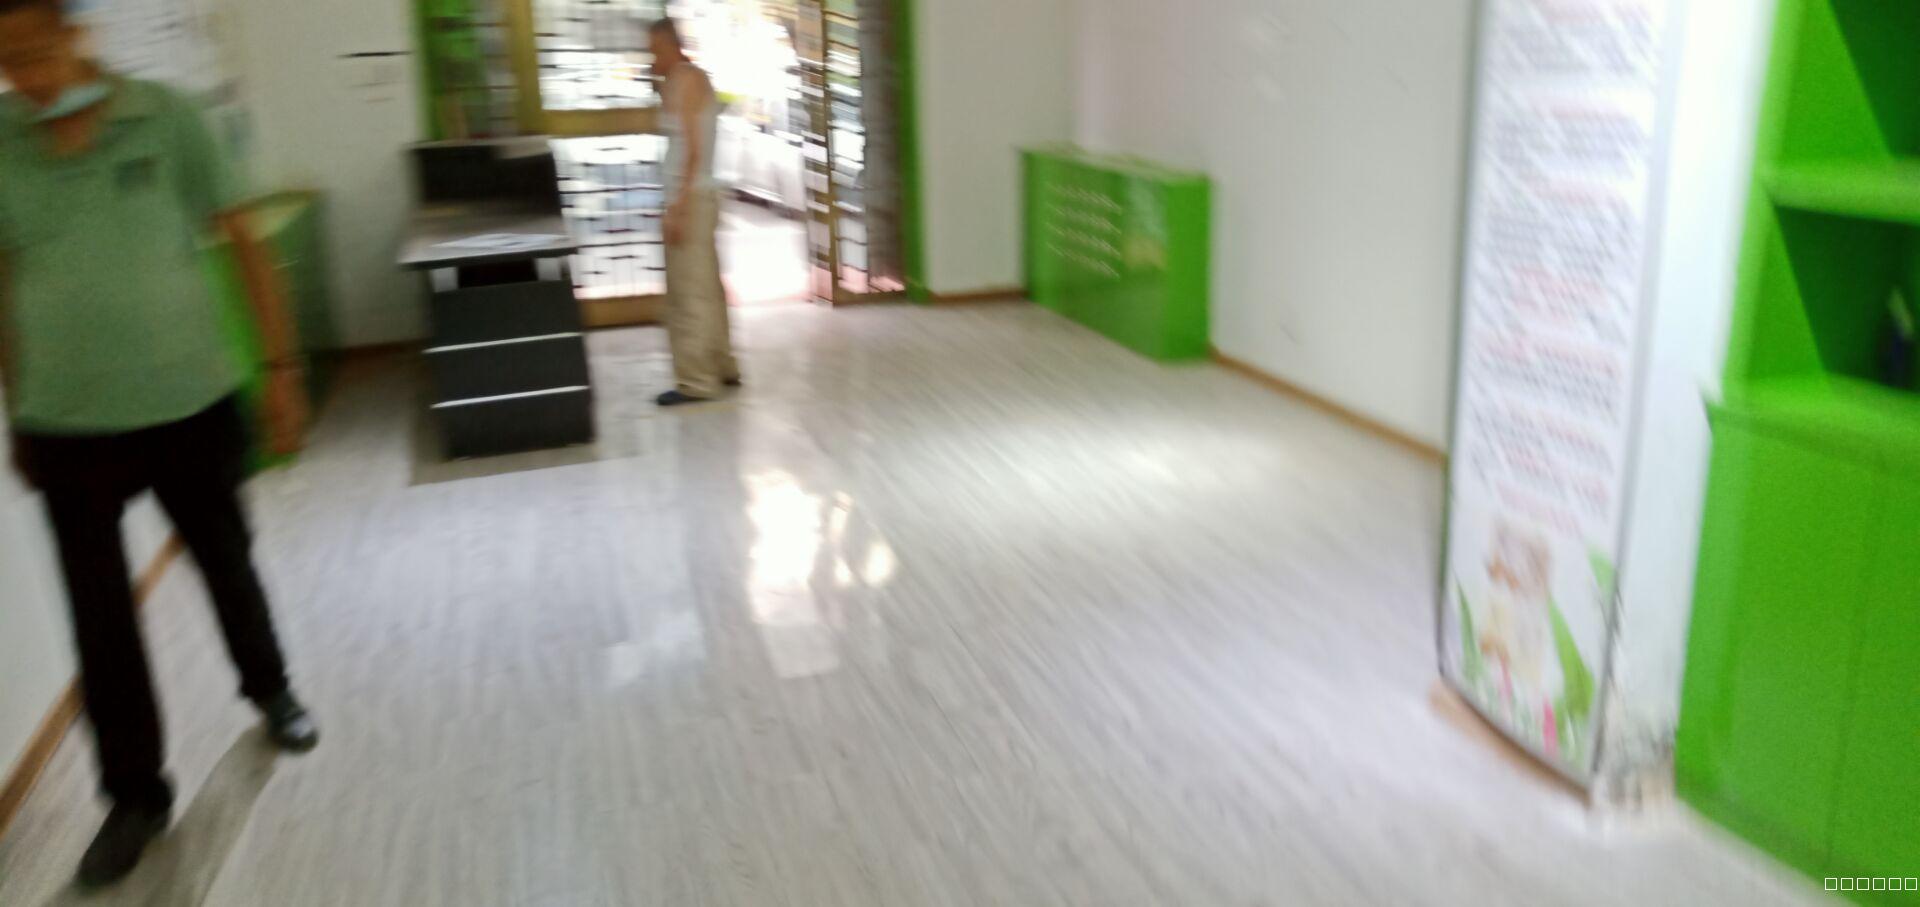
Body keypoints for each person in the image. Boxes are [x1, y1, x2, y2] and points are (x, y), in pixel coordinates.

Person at [0, 0, 318, 888]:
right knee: (99, 618)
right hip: (67, 423)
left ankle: (271, 689)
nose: (26, 74)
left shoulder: (166, 117)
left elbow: (243, 240)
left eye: (36, 50)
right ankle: (134, 796)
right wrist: (18, 403)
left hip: (189, 402)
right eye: (6, 59)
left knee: (226, 562)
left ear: (77, 36)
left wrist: (280, 367)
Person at [649, 17, 740, 406]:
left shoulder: (685, 80)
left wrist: (678, 208)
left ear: (671, 45)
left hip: (690, 199)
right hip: (699, 197)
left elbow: (692, 151)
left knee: (689, 295)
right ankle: (721, 365)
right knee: (706, 288)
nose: (651, 57)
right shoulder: (688, 78)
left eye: (655, 49)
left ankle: (696, 380)